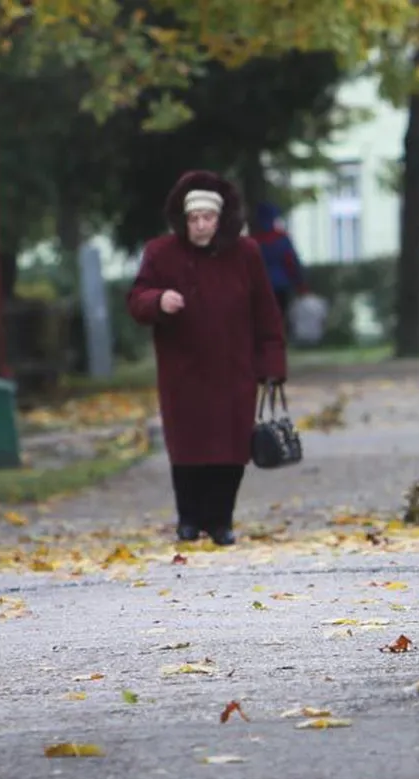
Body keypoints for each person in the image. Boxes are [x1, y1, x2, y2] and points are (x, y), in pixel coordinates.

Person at [126, 170, 287, 546]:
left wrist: (273, 366)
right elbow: (136, 299)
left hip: (234, 369)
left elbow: (267, 312)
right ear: (183, 220)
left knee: (231, 448)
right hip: (183, 370)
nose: (200, 226)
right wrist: (158, 301)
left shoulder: (245, 254)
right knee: (187, 447)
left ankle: (221, 521)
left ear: (221, 218)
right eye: (194, 218)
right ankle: (188, 518)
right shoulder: (160, 253)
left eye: (208, 218)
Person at [252, 200, 308, 314]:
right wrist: (300, 284)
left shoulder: (253, 241)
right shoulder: (282, 239)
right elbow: (291, 263)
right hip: (280, 286)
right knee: (279, 318)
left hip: (258, 287)